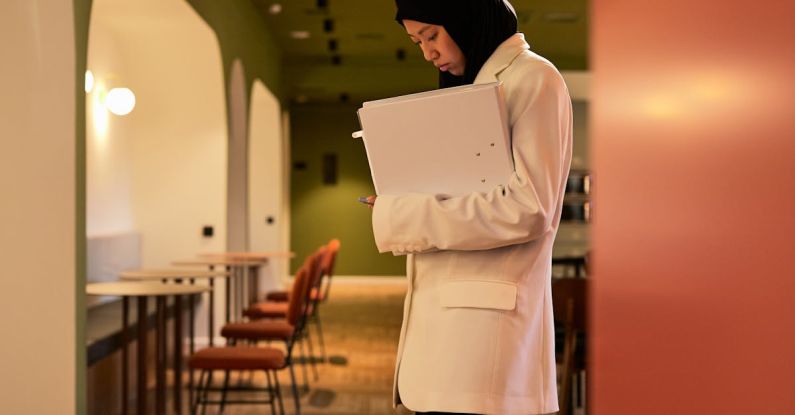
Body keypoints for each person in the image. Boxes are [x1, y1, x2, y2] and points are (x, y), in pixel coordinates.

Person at [366, 1, 573, 414]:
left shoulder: (534, 78)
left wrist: (402, 211)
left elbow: (530, 208)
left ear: (467, 18)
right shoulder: (476, 86)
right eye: (416, 41)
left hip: (486, 335)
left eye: (431, 35)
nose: (427, 52)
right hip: (451, 326)